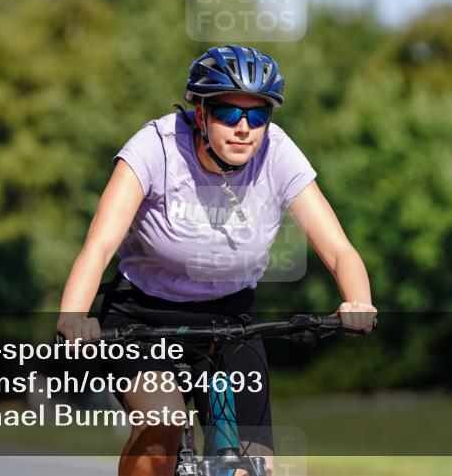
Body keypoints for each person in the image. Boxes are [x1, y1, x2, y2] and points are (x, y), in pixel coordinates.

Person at [57, 44, 377, 476]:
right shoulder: (156, 147)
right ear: (201, 113)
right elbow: (98, 246)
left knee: (252, 464)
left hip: (232, 319)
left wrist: (359, 301)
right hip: (143, 317)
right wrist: (73, 317)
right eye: (228, 113)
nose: (244, 128)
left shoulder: (278, 154)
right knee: (163, 424)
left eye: (258, 116)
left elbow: (339, 249)